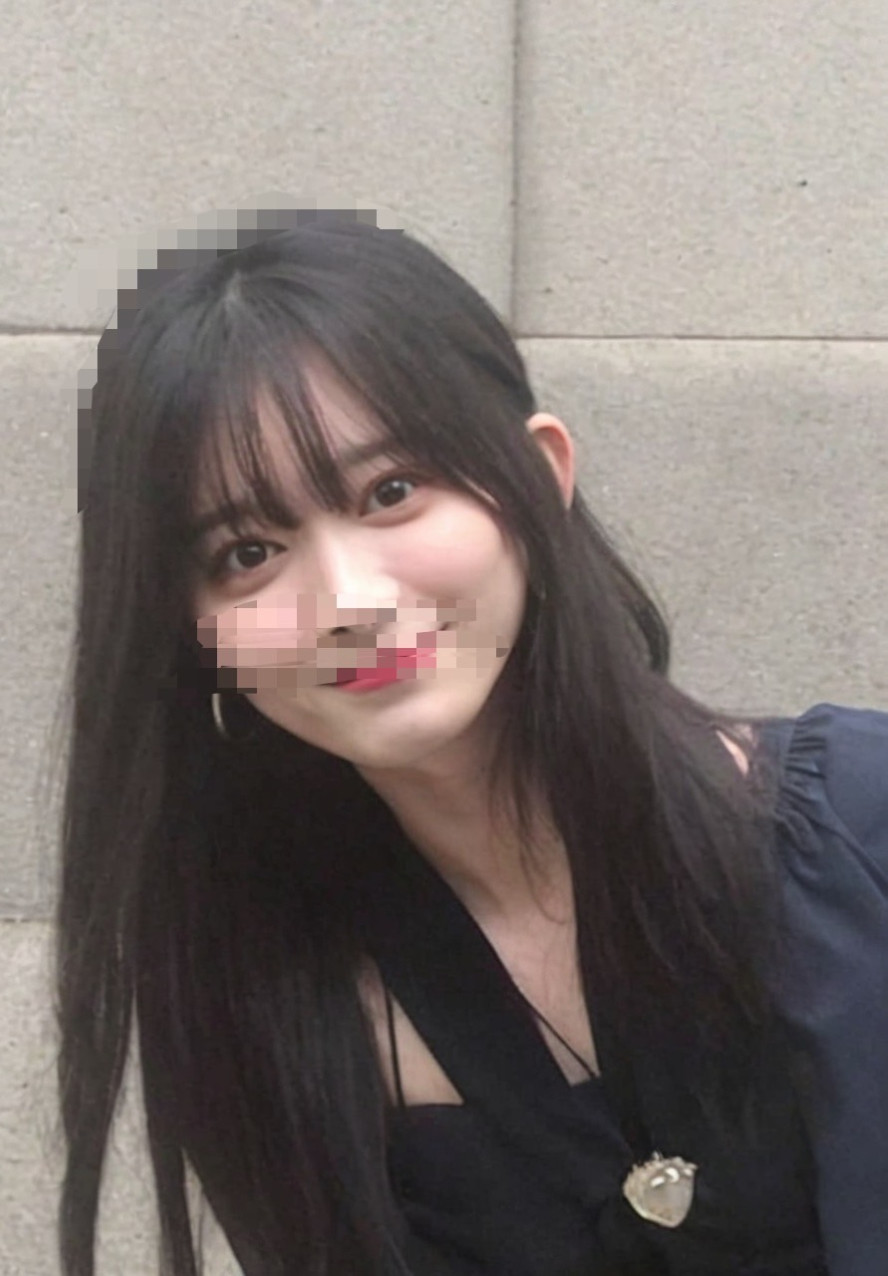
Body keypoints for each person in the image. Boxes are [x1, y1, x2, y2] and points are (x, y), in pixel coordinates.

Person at [58, 208, 888, 1276]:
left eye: (391, 491)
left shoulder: (860, 829)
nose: (350, 601)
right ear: (190, 630)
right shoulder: (263, 1001)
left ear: (539, 474)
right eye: (248, 551)